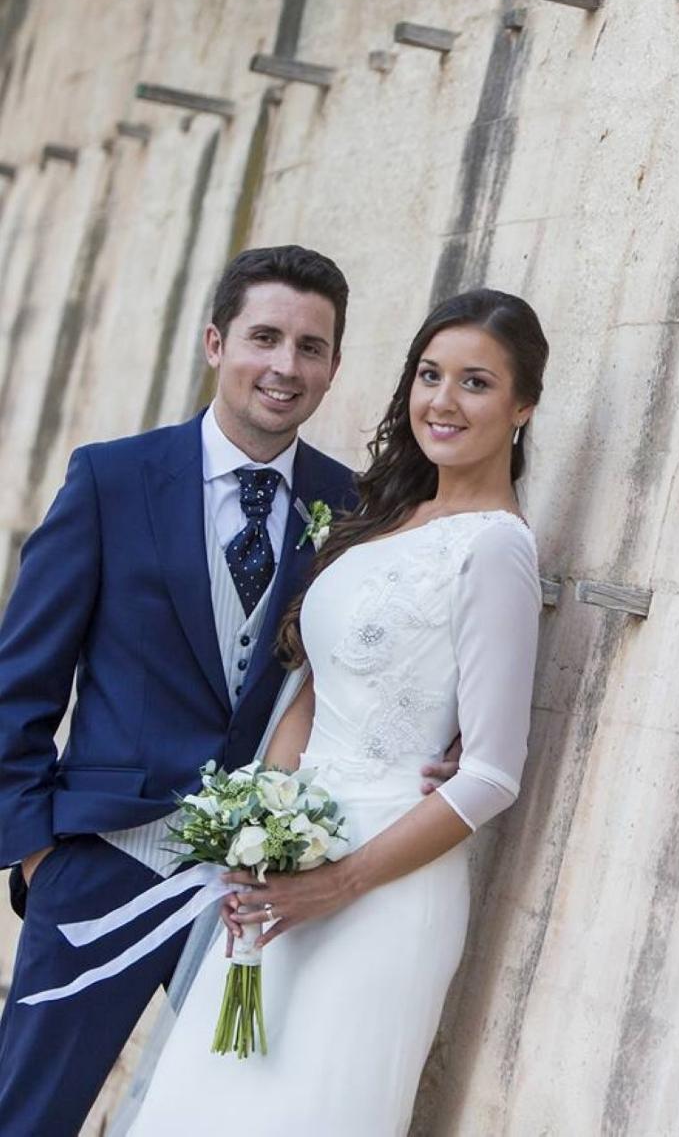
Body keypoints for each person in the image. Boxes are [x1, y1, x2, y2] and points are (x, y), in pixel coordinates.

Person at [0, 246, 448, 1136]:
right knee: (28, 1116)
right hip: (100, 863)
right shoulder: (111, 479)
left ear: (332, 369)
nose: (286, 366)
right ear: (216, 341)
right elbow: (19, 684)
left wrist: (441, 746)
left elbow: (368, 665)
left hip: (258, 895)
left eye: (310, 348)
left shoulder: (350, 511)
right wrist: (39, 856)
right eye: (265, 337)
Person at [127, 288, 548, 1134]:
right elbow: (312, 692)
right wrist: (256, 828)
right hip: (281, 871)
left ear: (522, 407)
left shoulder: (498, 547)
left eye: (476, 383)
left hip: (382, 886)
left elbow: (494, 774)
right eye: (430, 375)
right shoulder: (385, 518)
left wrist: (335, 884)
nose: (442, 400)